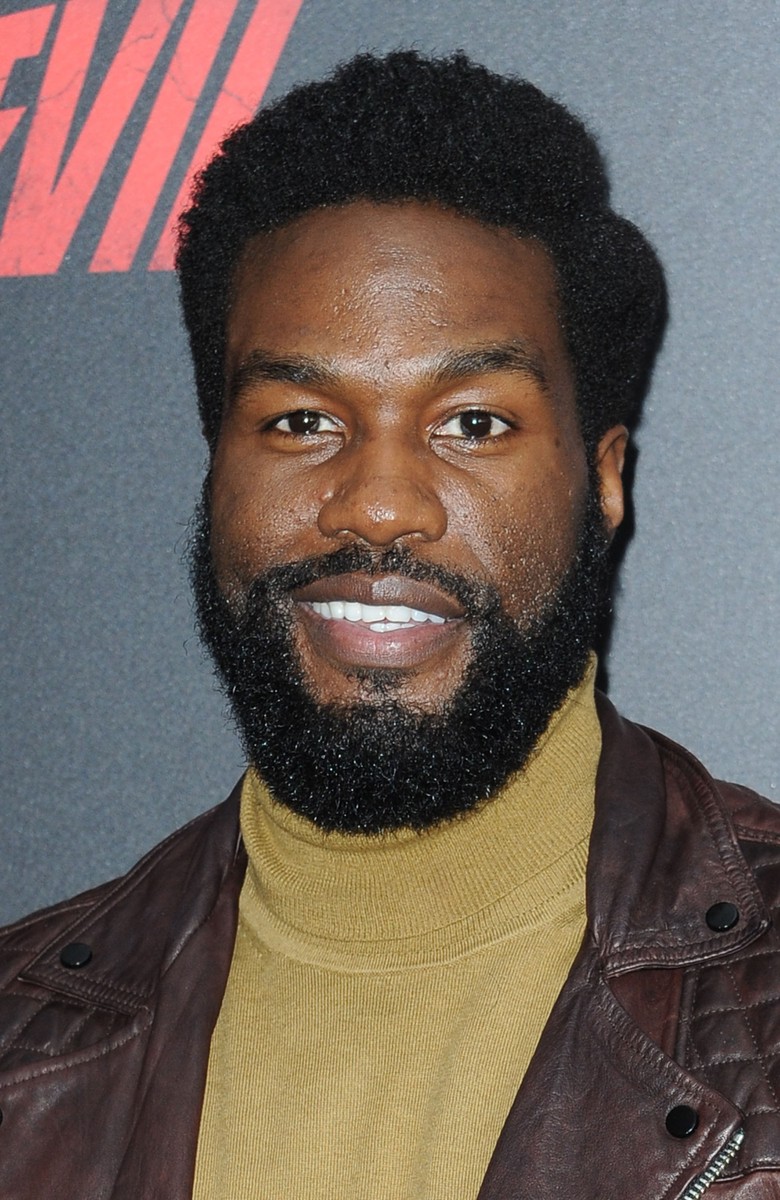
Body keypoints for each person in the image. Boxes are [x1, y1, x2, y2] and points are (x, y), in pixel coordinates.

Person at [0, 50, 777, 1200]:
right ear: (215, 467)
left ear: (604, 479)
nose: (376, 504)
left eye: (473, 423)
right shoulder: (19, 1042)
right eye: (302, 419)